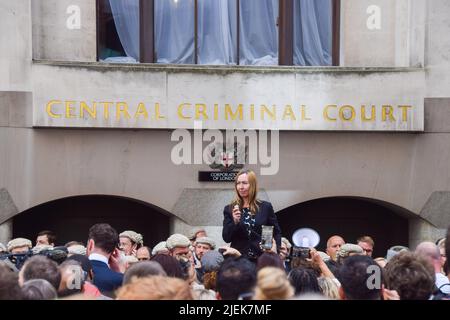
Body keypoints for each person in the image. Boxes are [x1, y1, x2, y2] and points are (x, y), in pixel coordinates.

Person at [222, 169, 281, 262]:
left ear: (253, 185)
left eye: (245, 183)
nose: (241, 187)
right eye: (238, 183)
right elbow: (226, 238)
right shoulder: (230, 209)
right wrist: (235, 222)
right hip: (239, 260)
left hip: (262, 259)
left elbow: (276, 232)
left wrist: (275, 252)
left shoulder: (265, 207)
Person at [86, 223, 125, 297]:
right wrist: (120, 272)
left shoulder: (71, 271)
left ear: (91, 244)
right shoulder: (120, 279)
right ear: (114, 251)